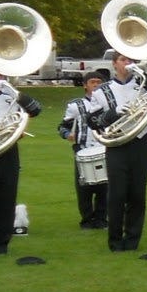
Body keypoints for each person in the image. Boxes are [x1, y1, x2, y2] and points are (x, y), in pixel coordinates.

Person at [87, 51, 147, 253]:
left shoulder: (143, 84)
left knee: (137, 193)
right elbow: (92, 121)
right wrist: (114, 113)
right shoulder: (102, 90)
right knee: (117, 194)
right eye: (123, 60)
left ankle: (133, 240)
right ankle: (115, 241)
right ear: (115, 64)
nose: (127, 63)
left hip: (142, 141)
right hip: (117, 144)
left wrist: (142, 73)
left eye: (130, 60)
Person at [0, 75, 43, 255]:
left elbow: (36, 109)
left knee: (6, 196)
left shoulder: (12, 96)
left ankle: (1, 244)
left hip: (7, 149)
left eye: (0, 74)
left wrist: (14, 92)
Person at [59, 72, 109, 230]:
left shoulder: (108, 103)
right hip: (83, 150)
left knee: (105, 187)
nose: (95, 85)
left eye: (99, 82)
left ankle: (101, 219)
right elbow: (62, 126)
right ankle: (87, 220)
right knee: (84, 188)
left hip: (105, 150)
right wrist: (68, 134)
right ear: (85, 85)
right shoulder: (76, 105)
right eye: (92, 82)